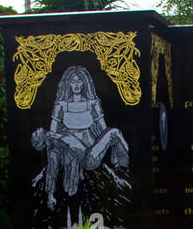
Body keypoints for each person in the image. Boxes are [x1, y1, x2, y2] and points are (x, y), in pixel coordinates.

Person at [33, 66, 129, 209]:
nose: (76, 85)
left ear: (85, 83)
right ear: (68, 83)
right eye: (73, 81)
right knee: (115, 133)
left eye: (79, 81)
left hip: (93, 148)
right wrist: (50, 195)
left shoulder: (93, 103)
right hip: (87, 158)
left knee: (113, 135)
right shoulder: (59, 110)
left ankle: (121, 163)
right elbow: (52, 167)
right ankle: (120, 163)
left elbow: (103, 131)